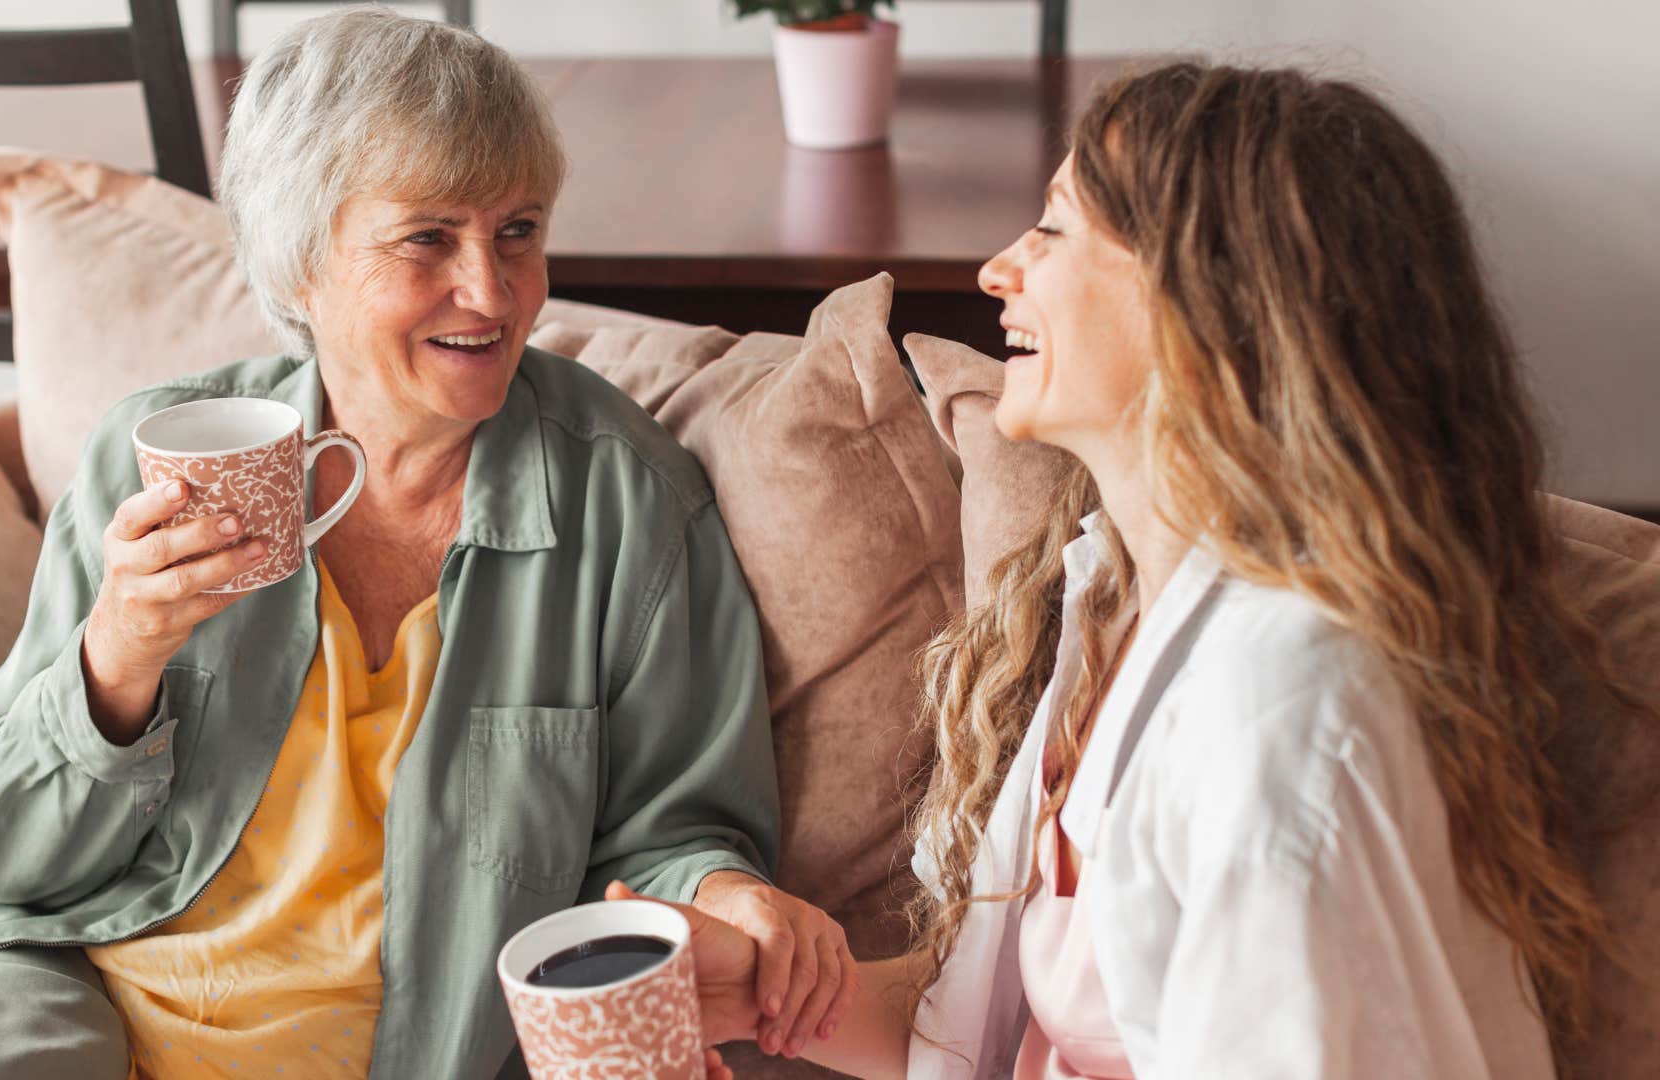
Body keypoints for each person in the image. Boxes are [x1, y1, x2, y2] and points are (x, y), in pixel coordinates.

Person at [0, 9, 853, 1080]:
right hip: (65, 981)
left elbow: (671, 836)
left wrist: (731, 895)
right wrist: (118, 659)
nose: (494, 291)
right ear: (299, 266)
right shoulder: (151, 468)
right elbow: (0, 858)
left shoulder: (631, 506)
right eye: (429, 236)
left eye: (517, 231)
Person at [638, 60, 1654, 1079]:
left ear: (1208, 302)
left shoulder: (1281, 718)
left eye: (1053, 230)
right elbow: (981, 1032)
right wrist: (760, 993)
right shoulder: (1111, 602)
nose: (999, 269)